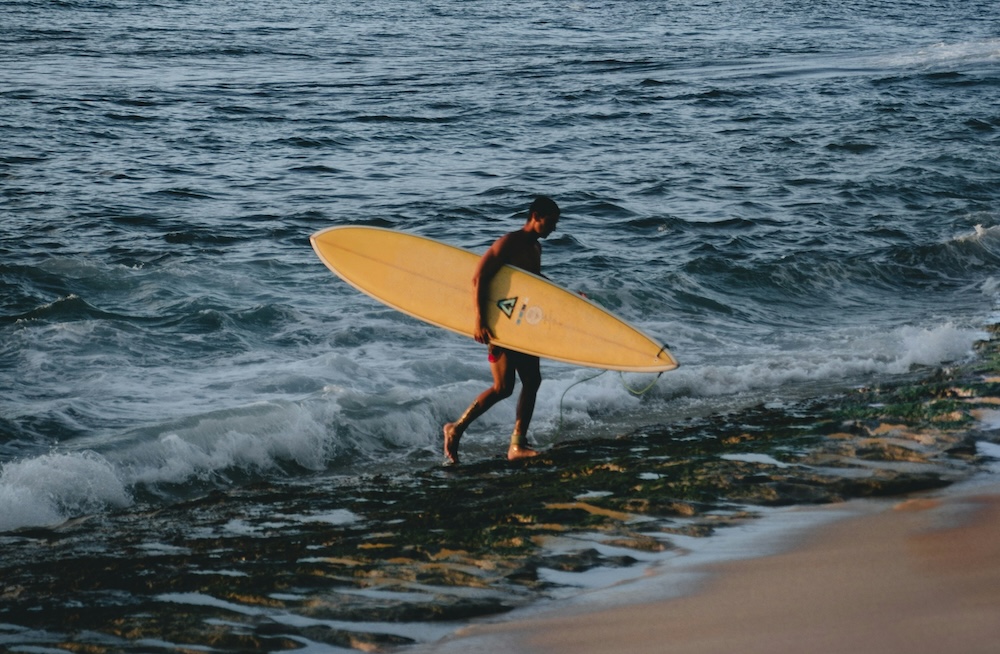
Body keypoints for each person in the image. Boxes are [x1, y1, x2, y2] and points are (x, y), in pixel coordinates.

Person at [443, 196, 561, 464]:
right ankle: (456, 429)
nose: (554, 229)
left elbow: (534, 284)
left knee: (525, 382)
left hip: (519, 325)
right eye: (551, 222)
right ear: (535, 216)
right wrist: (480, 321)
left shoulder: (535, 248)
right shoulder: (510, 242)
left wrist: (568, 298)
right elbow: (479, 277)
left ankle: (515, 444)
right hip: (501, 326)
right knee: (503, 387)